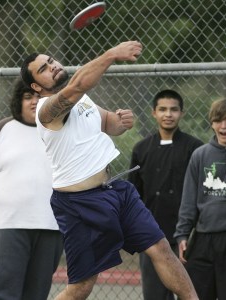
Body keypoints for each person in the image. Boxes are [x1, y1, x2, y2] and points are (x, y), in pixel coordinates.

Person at [20, 41, 198, 300]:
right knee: (81, 286)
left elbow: (107, 123)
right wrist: (112, 54)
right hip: (79, 204)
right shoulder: (47, 111)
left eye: (51, 61)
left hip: (116, 191)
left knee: (160, 248)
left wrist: (120, 121)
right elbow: (78, 85)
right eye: (44, 69)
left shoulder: (82, 99)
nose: (53, 66)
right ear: (36, 86)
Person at [0, 78, 63, 300]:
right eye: (28, 97)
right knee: (6, 293)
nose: (35, 101)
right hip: (10, 226)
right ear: (18, 101)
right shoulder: (1, 130)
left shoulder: (61, 131)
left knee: (36, 294)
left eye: (40, 96)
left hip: (51, 226)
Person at [128, 90, 203, 300]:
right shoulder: (141, 149)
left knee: (191, 293)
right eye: (162, 109)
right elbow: (134, 196)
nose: (168, 114)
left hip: (188, 237)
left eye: (173, 109)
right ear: (153, 113)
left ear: (181, 113)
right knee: (154, 294)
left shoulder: (195, 148)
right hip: (152, 235)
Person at [174, 98, 226, 300]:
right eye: (219, 120)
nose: (224, 126)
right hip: (204, 239)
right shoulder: (200, 155)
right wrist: (182, 234)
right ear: (212, 123)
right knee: (195, 293)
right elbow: (188, 200)